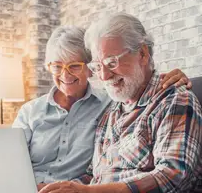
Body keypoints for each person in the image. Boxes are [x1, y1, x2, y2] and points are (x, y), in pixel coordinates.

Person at [11, 25, 192, 190]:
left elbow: (140, 83)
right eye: (57, 67)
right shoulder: (30, 112)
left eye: (74, 66)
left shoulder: (110, 103)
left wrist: (176, 78)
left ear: (89, 69)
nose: (65, 74)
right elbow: (9, 162)